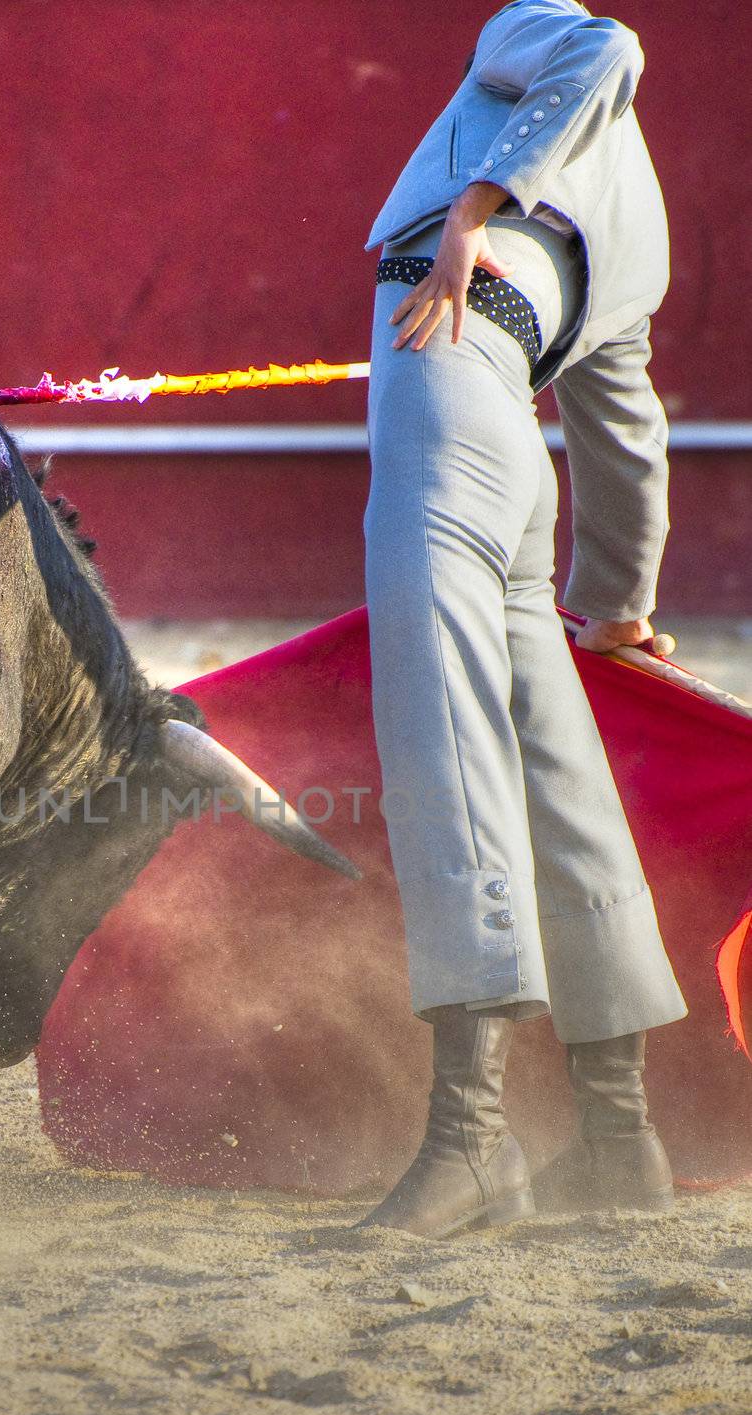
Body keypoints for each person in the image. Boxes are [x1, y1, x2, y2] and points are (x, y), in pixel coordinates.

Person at [359, 0, 687, 1237]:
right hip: (514, 451)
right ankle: (618, 1138)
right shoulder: (638, 215)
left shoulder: (535, 24)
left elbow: (607, 45)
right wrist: (615, 607)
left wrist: (466, 218)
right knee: (556, 770)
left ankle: (471, 1141)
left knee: (446, 748)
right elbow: (624, 428)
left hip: (442, 392)